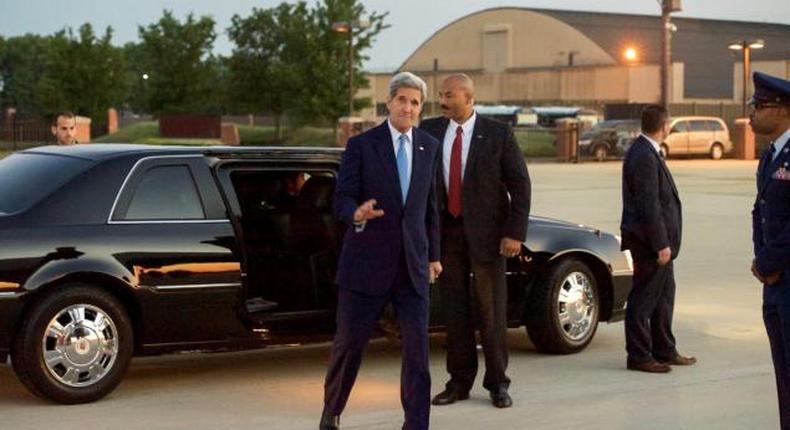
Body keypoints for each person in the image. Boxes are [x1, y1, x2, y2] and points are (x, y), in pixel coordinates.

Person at [320, 72, 442, 430]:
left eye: (415, 102)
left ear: (421, 109)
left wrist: (433, 256)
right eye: (402, 100)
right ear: (388, 103)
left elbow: (430, 207)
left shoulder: (428, 147)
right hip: (366, 265)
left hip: (413, 267)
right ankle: (332, 412)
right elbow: (341, 198)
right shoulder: (362, 145)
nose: (408, 107)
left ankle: (416, 424)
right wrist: (356, 213)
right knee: (349, 347)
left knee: (418, 353)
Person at [420, 74, 531, 408]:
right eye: (440, 94)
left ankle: (498, 383)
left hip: (488, 237)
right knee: (454, 311)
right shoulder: (430, 130)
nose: (442, 100)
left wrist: (514, 232)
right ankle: (459, 382)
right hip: (447, 234)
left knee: (491, 311)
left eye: (448, 94)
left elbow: (520, 184)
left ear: (468, 97)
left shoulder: (497, 134)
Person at [620, 104, 696, 373]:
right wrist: (661, 244)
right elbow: (648, 205)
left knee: (664, 297)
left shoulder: (648, 151)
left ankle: (664, 349)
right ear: (664, 126)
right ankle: (639, 356)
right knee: (644, 298)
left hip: (660, 243)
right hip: (649, 243)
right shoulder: (643, 155)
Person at [748, 71, 790, 429]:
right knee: (784, 378)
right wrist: (763, 266)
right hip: (774, 284)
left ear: (783, 111)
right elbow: (759, 212)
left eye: (760, 106)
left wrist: (767, 260)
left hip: (787, 279)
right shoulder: (770, 157)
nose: (752, 114)